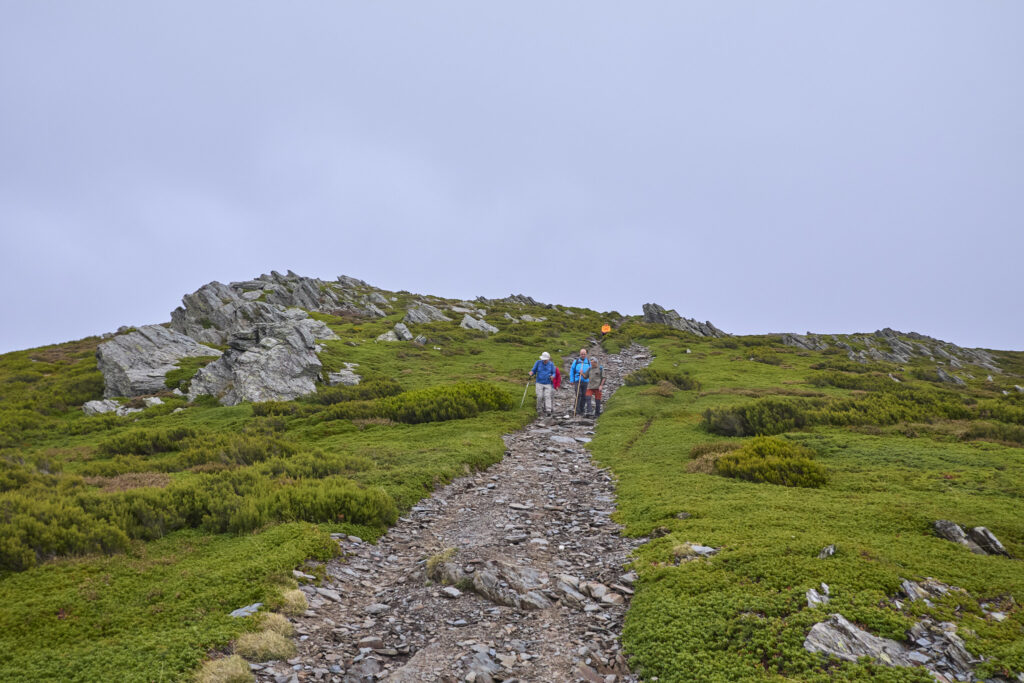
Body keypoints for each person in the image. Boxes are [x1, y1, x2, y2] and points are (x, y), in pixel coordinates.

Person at [528, 351, 557, 416]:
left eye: (546, 359)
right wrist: (531, 373)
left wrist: (553, 376)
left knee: (547, 396)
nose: (544, 361)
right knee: (540, 396)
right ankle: (539, 409)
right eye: (543, 359)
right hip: (539, 382)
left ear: (548, 359)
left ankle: (548, 410)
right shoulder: (538, 363)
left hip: (548, 383)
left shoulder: (551, 364)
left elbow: (554, 373)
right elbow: (534, 370)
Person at [569, 348, 591, 417]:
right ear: (580, 354)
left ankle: (582, 409)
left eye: (584, 354)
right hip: (577, 381)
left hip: (586, 381)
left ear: (586, 354)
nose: (583, 355)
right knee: (578, 394)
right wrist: (572, 380)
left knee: (584, 396)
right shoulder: (576, 362)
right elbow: (572, 371)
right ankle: (576, 410)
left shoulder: (589, 362)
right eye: (582, 354)